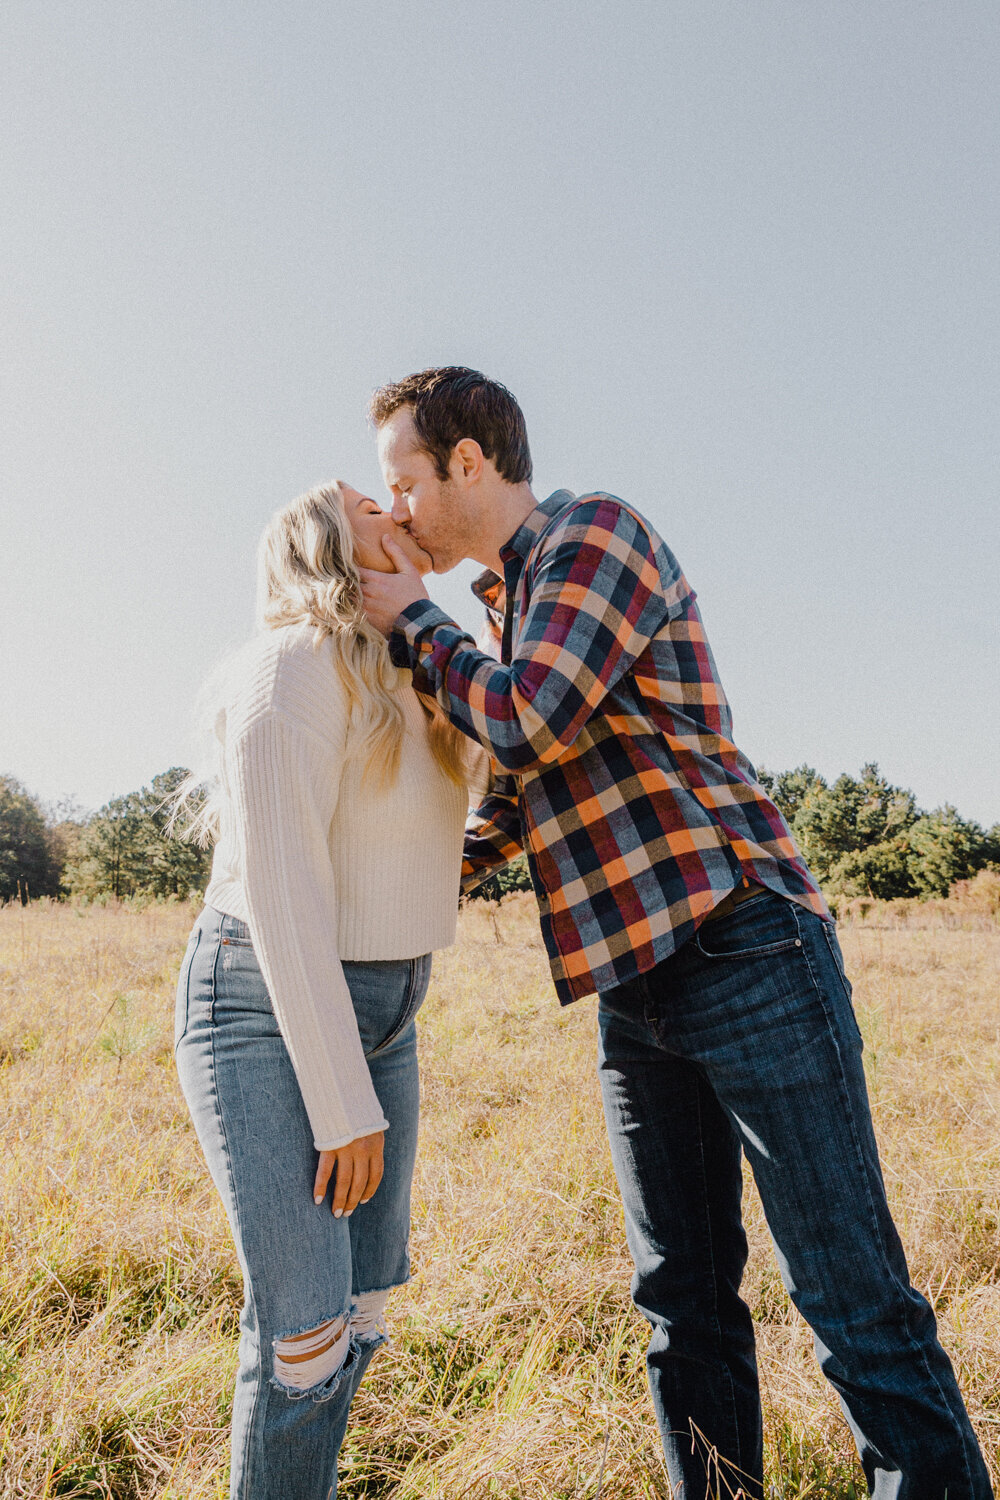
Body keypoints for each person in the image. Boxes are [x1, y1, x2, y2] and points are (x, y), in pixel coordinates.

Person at [358, 367, 993, 1500]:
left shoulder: (592, 537)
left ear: (466, 462)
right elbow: (504, 812)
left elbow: (527, 715)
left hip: (742, 946)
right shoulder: (506, 607)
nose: (394, 510)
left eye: (399, 482)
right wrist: (356, 890)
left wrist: (408, 615)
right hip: (633, 988)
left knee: (849, 1296)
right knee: (680, 1303)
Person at [173, 482, 469, 1500]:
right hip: (266, 1003)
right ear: (330, 549)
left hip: (386, 1017)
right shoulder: (287, 672)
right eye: (361, 501)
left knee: (365, 1310)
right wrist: (345, 1107)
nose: (390, 501)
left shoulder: (416, 673)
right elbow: (288, 901)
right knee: (305, 1331)